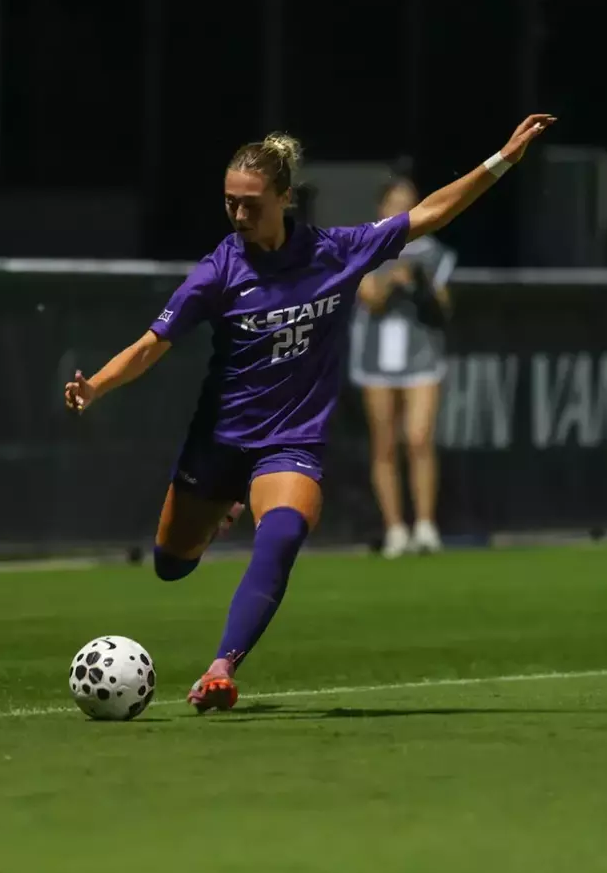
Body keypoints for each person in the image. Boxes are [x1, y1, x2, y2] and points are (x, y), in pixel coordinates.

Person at [64, 114, 555, 711]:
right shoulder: (220, 270)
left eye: (251, 204)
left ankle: (221, 667)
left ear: (284, 198)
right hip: (221, 442)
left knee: (283, 533)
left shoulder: (336, 252)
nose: (238, 215)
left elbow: (430, 214)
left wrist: (501, 160)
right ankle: (226, 506)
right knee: (171, 563)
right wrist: (97, 386)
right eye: (229, 203)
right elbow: (151, 345)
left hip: (290, 440)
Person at [350, 175, 458, 558]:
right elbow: (369, 298)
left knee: (418, 438)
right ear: (382, 208)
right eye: (395, 203)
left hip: (421, 353)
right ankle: (395, 528)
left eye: (408, 203)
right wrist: (392, 279)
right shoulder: (364, 246)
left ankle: (426, 526)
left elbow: (443, 307)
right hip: (376, 355)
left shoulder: (432, 251)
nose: (402, 210)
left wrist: (422, 286)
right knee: (384, 443)